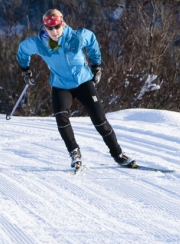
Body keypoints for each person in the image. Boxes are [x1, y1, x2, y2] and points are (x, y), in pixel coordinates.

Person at [16, 9, 135, 170]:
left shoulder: (77, 37)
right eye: (49, 28)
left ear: (62, 23)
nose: (54, 31)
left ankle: (118, 155)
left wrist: (96, 65)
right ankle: (74, 154)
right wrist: (25, 69)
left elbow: (92, 39)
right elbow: (23, 50)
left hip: (83, 82)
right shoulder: (40, 44)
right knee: (61, 118)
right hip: (60, 85)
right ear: (45, 28)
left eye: (57, 27)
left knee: (100, 120)